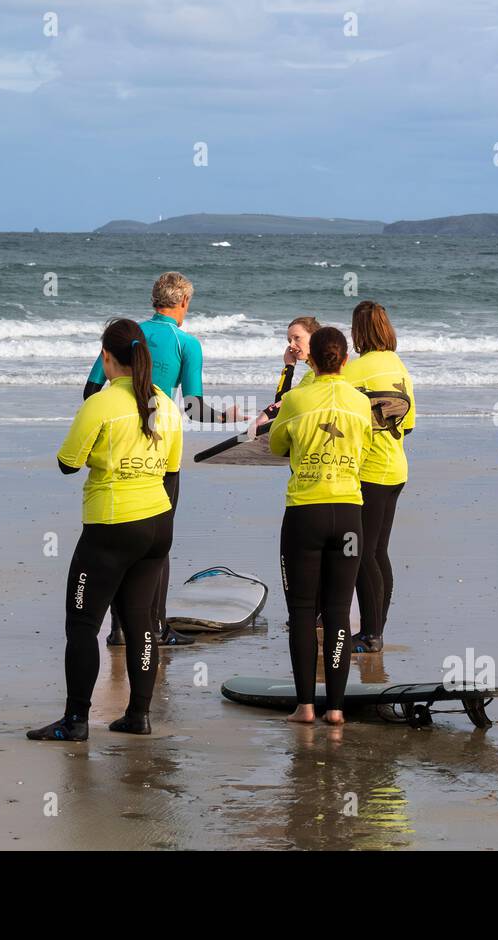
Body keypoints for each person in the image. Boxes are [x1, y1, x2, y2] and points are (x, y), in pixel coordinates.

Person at [28, 319, 182, 742]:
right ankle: (138, 715)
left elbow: (67, 462)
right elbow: (171, 471)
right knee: (141, 623)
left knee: (82, 624)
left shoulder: (101, 403)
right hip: (157, 526)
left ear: (107, 358)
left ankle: (75, 720)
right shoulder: (165, 406)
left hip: (111, 527)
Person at [84, 272, 243, 648]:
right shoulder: (185, 342)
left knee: (116, 535)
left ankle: (119, 629)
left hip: (116, 448)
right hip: (159, 451)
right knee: (155, 542)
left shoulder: (124, 335)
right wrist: (229, 418)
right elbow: (193, 407)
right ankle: (155, 627)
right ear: (183, 302)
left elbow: (92, 390)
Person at [268, 327, 372, 726]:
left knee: (301, 612)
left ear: (312, 360)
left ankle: (306, 706)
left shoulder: (296, 400)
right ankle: (338, 709)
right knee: (339, 612)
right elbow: (365, 449)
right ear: (345, 360)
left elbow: (278, 446)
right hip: (348, 514)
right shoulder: (360, 404)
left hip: (305, 516)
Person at [339, 301, 414, 653]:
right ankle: (376, 628)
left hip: (368, 472)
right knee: (378, 551)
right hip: (396, 468)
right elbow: (408, 425)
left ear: (358, 332)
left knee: (362, 554)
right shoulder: (400, 367)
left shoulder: (356, 371)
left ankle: (371, 634)